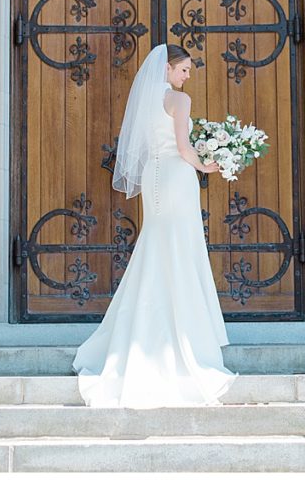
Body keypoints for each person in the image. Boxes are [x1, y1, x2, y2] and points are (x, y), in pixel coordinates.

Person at [72, 43, 237, 407]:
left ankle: (140, 333)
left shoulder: (148, 102)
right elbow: (183, 147)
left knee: (158, 246)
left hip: (154, 178)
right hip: (176, 176)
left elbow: (154, 145)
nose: (187, 76)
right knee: (179, 249)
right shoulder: (180, 101)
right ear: (167, 68)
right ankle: (181, 339)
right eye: (184, 70)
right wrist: (211, 164)